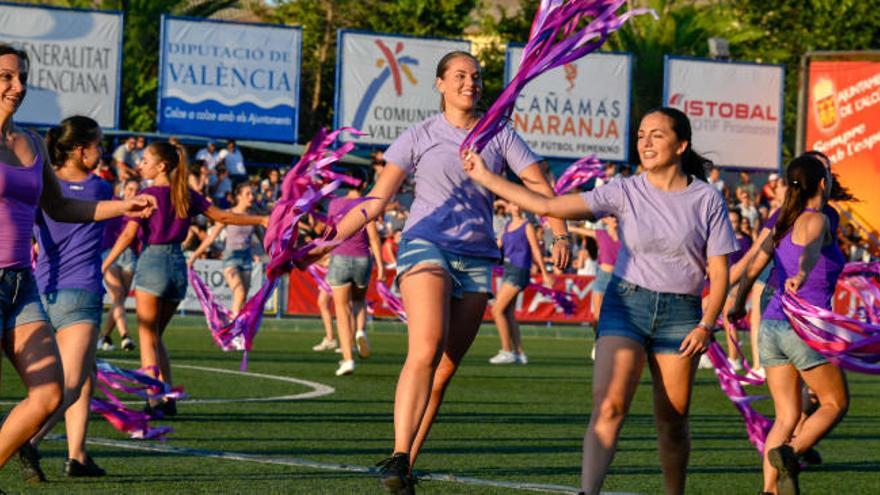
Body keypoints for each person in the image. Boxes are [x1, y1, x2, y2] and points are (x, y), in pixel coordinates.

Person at [305, 51, 570, 492]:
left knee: (445, 368)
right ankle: (398, 453)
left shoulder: (500, 134)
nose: (471, 83)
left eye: (477, 77)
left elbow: (541, 185)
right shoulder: (419, 135)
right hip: (425, 246)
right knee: (426, 347)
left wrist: (558, 233)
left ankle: (406, 461)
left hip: (478, 258)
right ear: (441, 83)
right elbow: (375, 200)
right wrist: (325, 242)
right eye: (461, 76)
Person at [462, 106, 737, 495]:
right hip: (625, 305)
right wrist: (486, 176)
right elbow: (548, 206)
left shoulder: (706, 198)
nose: (645, 142)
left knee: (672, 421)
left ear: (681, 145)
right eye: (641, 134)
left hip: (682, 314)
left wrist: (706, 324)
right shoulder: (624, 189)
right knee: (609, 407)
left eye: (657, 135)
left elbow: (720, 271)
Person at [0, 43, 155, 479]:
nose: (18, 86)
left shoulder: (30, 141)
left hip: (20, 284)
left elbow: (63, 208)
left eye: (22, 77)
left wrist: (124, 206)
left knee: (49, 395)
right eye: (6, 77)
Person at [102, 141, 267, 416]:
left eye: (145, 161)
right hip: (178, 266)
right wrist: (261, 220)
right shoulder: (185, 194)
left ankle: (154, 399)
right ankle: (168, 398)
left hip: (153, 262)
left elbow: (129, 235)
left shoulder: (148, 194)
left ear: (161, 166)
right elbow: (222, 216)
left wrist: (104, 262)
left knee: (146, 335)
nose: (140, 165)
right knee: (156, 335)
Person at [729, 155, 848, 495]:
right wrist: (803, 272)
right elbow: (810, 248)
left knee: (786, 417)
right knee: (834, 403)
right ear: (822, 184)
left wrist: (736, 303)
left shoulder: (783, 220)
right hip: (803, 325)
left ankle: (768, 490)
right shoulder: (818, 218)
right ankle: (791, 453)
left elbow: (754, 264)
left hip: (771, 326)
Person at [26, 115, 114, 480]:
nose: (102, 152)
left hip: (43, 290)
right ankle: (27, 439)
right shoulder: (100, 189)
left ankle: (77, 456)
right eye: (98, 145)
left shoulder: (40, 188)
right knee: (72, 383)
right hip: (81, 293)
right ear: (81, 151)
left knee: (86, 373)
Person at [325, 172, 385, 376]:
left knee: (342, 310)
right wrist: (382, 267)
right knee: (359, 301)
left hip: (340, 257)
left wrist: (322, 255)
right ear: (365, 183)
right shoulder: (367, 204)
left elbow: (329, 233)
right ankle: (360, 331)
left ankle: (348, 358)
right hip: (362, 259)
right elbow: (374, 237)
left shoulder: (335, 204)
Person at [489, 202, 549, 365]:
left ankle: (507, 350)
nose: (515, 207)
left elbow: (536, 249)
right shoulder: (508, 225)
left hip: (519, 269)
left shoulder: (527, 225)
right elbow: (497, 245)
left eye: (517, 204)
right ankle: (519, 353)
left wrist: (544, 272)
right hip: (508, 269)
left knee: (497, 310)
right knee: (508, 313)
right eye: (511, 204)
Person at [188, 182, 261, 315]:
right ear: (238, 196)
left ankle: (235, 325)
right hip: (231, 258)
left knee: (243, 298)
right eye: (248, 194)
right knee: (239, 293)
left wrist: (274, 256)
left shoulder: (254, 215)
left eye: (253, 194)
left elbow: (263, 238)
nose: (252, 197)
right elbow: (211, 238)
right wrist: (194, 256)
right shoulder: (228, 214)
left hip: (247, 258)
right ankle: (234, 331)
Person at [570, 216, 622, 360]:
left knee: (616, 316)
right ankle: (598, 343)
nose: (615, 219)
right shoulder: (601, 234)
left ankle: (613, 345)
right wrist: (561, 227)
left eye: (615, 217)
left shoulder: (626, 236)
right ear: (606, 220)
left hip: (619, 278)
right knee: (597, 316)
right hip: (602, 276)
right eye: (612, 217)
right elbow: (578, 229)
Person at [99, 178, 141, 352]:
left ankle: (104, 337)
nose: (133, 192)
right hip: (109, 252)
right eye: (130, 189)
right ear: (123, 190)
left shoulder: (141, 208)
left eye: (136, 190)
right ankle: (126, 336)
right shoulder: (114, 203)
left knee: (120, 299)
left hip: (130, 255)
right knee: (118, 294)